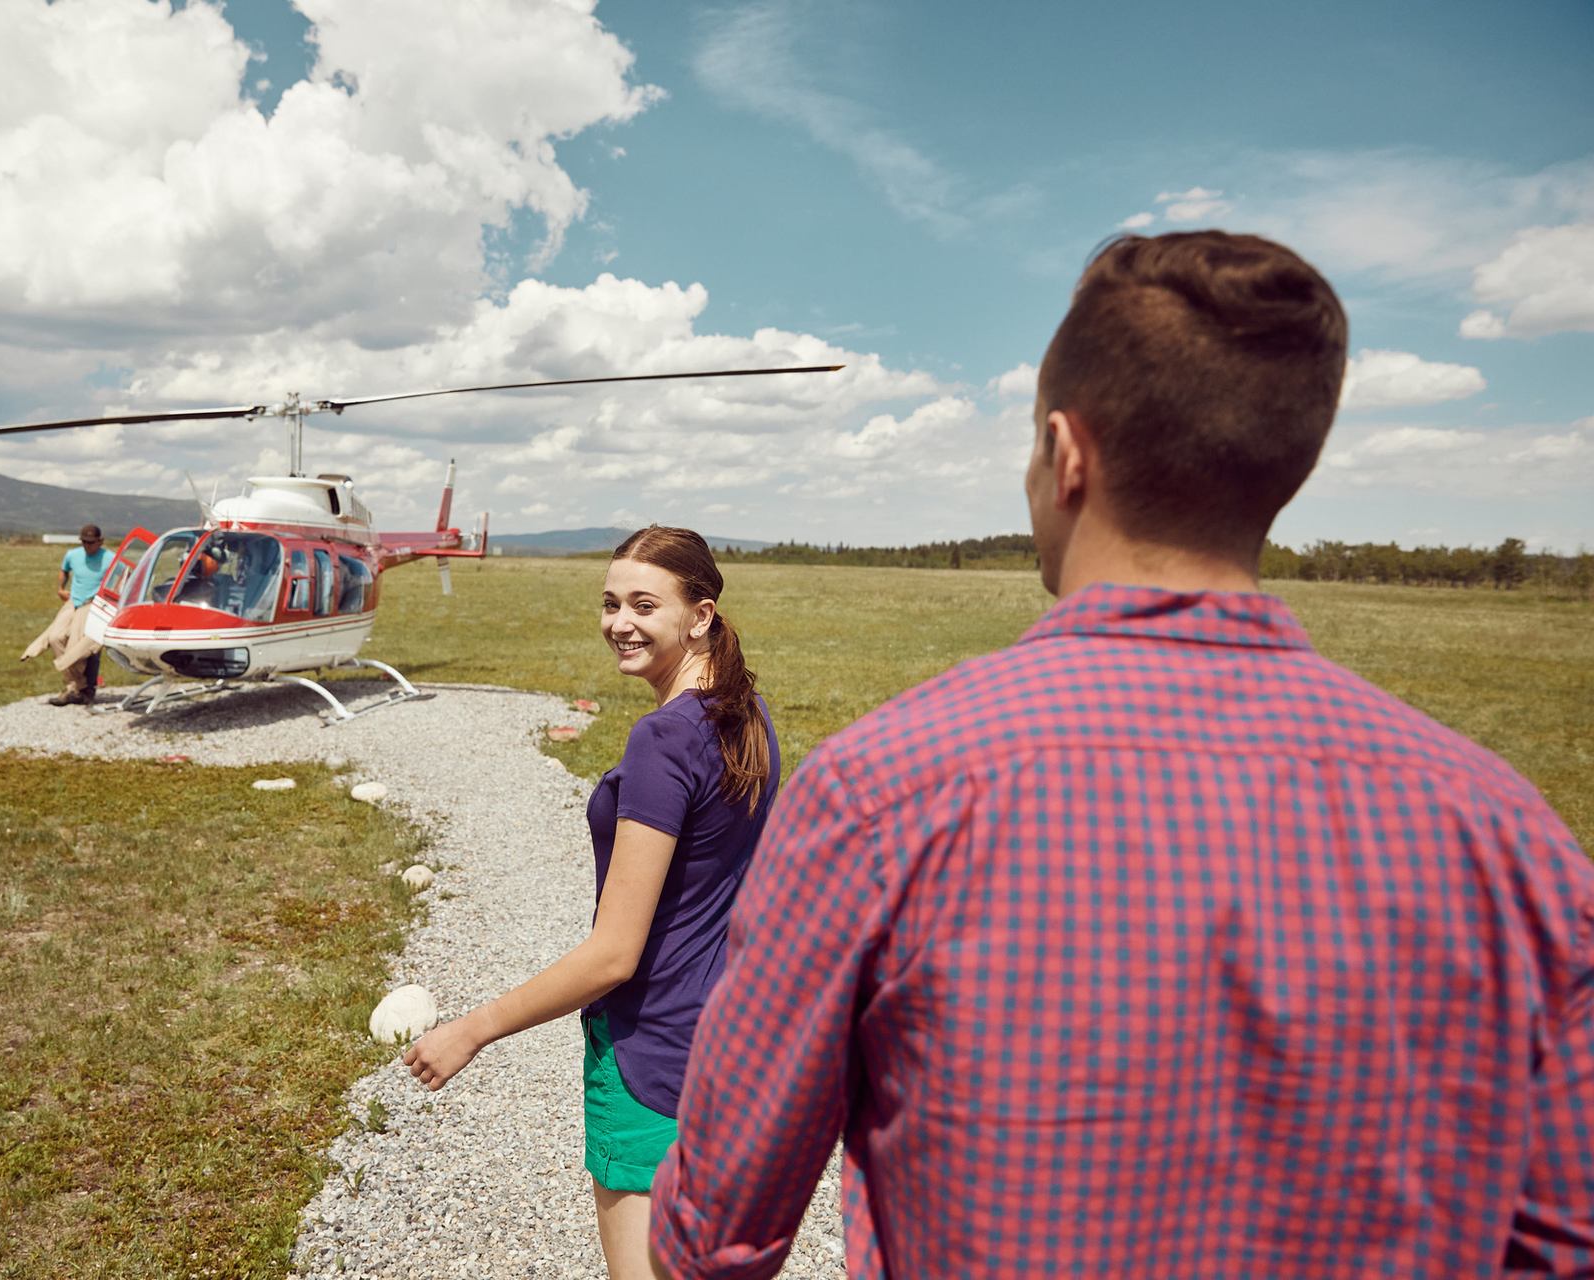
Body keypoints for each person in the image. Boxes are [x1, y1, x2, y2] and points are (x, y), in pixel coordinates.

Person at [649, 232, 1594, 1278]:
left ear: (1067, 455)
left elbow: (716, 1226)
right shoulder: (1513, 835)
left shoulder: (881, 789)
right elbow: (1563, 1237)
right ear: (1286, 466)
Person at [403, 526, 781, 1279]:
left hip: (652, 1059)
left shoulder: (664, 740)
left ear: (699, 615)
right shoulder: (746, 716)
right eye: (610, 603)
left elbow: (614, 953)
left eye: (644, 603)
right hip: (735, 1053)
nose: (619, 623)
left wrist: (470, 1031)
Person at [21, 524, 108, 706]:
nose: (87, 546)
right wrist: (61, 589)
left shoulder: (110, 558)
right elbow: (64, 570)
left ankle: (80, 689)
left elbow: (124, 577)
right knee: (55, 637)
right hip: (73, 602)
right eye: (84, 542)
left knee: (78, 647)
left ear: (100, 541)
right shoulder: (72, 555)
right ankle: (76, 686)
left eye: (91, 543)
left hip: (92, 605)